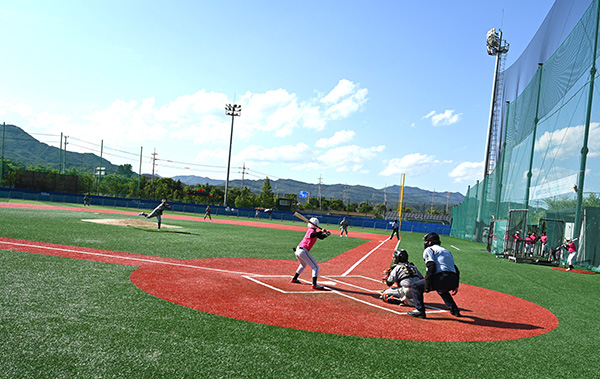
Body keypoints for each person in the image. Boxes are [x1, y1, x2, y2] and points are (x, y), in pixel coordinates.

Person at [407, 232, 461, 319]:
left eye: (426, 241)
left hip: (443, 277)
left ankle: (420, 310)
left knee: (416, 286)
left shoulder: (429, 250)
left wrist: (427, 284)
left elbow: (431, 266)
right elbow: (456, 269)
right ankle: (454, 310)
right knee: (442, 290)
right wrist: (456, 284)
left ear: (430, 242)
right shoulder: (446, 251)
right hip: (453, 278)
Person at [290, 217, 331, 290]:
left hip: (299, 250)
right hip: (303, 250)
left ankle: (294, 278)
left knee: (303, 265)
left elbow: (320, 237)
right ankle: (314, 284)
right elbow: (312, 235)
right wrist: (321, 231)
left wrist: (326, 235)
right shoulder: (311, 230)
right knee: (315, 267)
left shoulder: (314, 231)